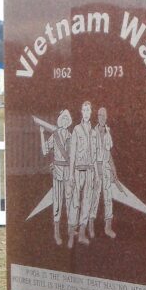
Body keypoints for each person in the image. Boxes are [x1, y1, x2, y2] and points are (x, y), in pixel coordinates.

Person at [40, 109, 72, 245]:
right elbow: (45, 151)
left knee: (70, 202)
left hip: (69, 172)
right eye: (63, 119)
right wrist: (41, 134)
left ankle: (71, 229)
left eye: (67, 119)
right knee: (58, 202)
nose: (65, 121)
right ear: (60, 120)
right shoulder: (55, 135)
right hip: (58, 172)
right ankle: (57, 232)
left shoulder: (71, 135)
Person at [67, 101, 94, 247]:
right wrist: (71, 174)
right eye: (84, 109)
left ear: (91, 112)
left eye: (88, 110)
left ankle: (82, 234)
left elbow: (95, 153)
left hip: (89, 170)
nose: (86, 112)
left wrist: (95, 172)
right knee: (75, 202)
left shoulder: (93, 131)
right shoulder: (77, 130)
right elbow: (72, 153)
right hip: (78, 170)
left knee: (87, 202)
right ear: (81, 112)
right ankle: (72, 234)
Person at [90, 107, 118, 238]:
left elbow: (109, 154)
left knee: (108, 198)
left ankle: (108, 228)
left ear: (106, 117)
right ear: (97, 117)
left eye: (104, 115)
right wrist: (96, 170)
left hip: (106, 168)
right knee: (94, 197)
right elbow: (90, 154)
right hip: (96, 168)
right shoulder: (92, 132)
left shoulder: (108, 132)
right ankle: (90, 227)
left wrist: (114, 170)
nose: (101, 117)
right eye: (99, 115)